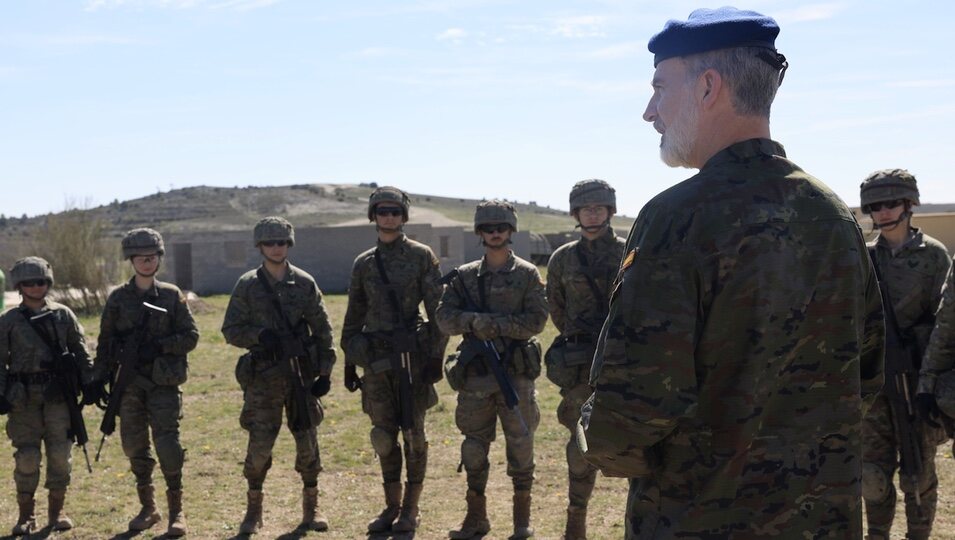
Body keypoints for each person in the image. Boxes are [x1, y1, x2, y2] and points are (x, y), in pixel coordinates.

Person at [576, 7, 885, 538]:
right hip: (821, 518)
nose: (650, 111)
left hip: (699, 517)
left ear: (707, 87)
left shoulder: (679, 217)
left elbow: (632, 408)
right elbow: (868, 373)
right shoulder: (833, 214)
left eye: (659, 88)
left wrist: (595, 437)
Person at [436, 200, 548, 540]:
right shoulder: (465, 277)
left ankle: (521, 522)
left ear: (510, 231)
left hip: (515, 373)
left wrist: (495, 326)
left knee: (522, 444)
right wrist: (473, 321)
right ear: (479, 233)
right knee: (473, 446)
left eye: (501, 227)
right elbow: (444, 318)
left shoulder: (528, 274)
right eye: (488, 228)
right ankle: (476, 519)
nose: (495, 232)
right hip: (476, 374)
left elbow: (537, 321)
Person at [341, 186, 449, 534]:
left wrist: (435, 357)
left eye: (395, 211)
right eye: (383, 211)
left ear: (404, 216)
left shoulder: (421, 256)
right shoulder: (364, 263)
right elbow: (353, 314)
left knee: (414, 435)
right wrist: (349, 359)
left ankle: (411, 510)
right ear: (374, 215)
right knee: (383, 435)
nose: (389, 217)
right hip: (376, 361)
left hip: (412, 361)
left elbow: (438, 313)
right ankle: (391, 506)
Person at [221, 216, 337, 535]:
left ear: (289, 244)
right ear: (260, 246)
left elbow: (324, 330)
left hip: (300, 376)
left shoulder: (304, 283)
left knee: (307, 443)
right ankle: (253, 510)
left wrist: (324, 373)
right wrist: (259, 336)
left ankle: (311, 509)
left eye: (282, 242)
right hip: (263, 379)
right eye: (270, 243)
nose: (276, 248)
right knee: (259, 447)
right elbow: (230, 330)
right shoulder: (247, 285)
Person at [855, 170, 950, 539]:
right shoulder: (864, 259)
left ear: (909, 205)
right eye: (875, 206)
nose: (882, 212)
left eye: (891, 203)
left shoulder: (934, 257)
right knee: (874, 477)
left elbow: (946, 328)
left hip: (917, 384)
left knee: (918, 475)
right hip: (876, 386)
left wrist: (932, 385)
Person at [92, 228, 198, 537]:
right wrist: (99, 378)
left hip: (163, 382)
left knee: (168, 445)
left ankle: (177, 511)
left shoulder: (171, 295)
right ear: (131, 261)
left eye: (152, 258)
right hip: (129, 384)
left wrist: (160, 346)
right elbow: (105, 341)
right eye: (141, 258)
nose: (147, 263)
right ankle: (148, 508)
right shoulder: (117, 299)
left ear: (159, 259)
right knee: (133, 445)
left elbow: (191, 336)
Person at [545, 179, 625, 540]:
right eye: (585, 209)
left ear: (610, 210)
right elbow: (557, 309)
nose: (592, 214)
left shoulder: (629, 251)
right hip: (580, 366)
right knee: (580, 444)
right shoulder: (562, 258)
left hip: (624, 360)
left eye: (599, 207)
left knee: (635, 438)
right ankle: (575, 523)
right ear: (576, 214)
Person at [0, 257, 93, 535]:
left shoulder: (63, 314)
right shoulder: (9, 321)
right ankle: (26, 515)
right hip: (23, 399)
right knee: (27, 457)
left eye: (41, 281)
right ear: (19, 286)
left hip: (58, 399)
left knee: (60, 455)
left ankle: (57, 511)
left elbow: (80, 351)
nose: (36, 287)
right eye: (29, 283)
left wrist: (89, 383)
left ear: (48, 283)